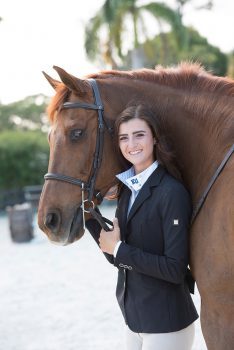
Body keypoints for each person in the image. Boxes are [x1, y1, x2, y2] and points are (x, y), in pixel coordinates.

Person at [86, 104, 198, 350]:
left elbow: (175, 269)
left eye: (139, 135)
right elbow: (119, 258)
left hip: (166, 325)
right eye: (124, 138)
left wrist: (118, 249)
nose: (131, 144)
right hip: (134, 321)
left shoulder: (172, 192)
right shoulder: (127, 191)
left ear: (155, 138)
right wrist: (88, 218)